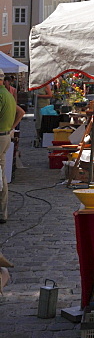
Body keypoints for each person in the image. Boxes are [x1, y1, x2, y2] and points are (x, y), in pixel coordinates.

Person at [0, 69, 25, 223]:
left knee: (1, 175)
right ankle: (2, 212)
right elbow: (21, 112)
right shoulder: (8, 95)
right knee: (1, 175)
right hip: (5, 137)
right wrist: (11, 127)